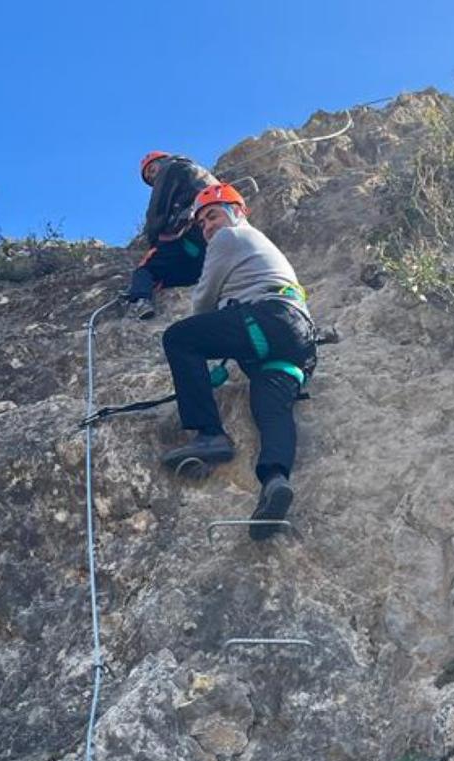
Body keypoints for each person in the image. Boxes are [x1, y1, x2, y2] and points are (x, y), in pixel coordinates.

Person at [159, 183, 317, 539]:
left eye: (212, 215)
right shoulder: (260, 247)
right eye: (201, 223)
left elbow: (202, 302)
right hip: (297, 337)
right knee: (270, 408)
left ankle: (209, 435)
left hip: (265, 319)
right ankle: (275, 482)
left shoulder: (229, 238)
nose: (208, 227)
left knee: (179, 338)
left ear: (238, 212)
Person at [122, 151, 218, 319]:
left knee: (145, 269)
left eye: (152, 170)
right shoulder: (199, 172)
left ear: (162, 160)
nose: (153, 177)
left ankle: (139, 301)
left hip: (191, 231)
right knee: (183, 273)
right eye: (149, 177)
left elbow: (157, 210)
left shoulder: (169, 169)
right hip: (209, 232)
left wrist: (153, 240)